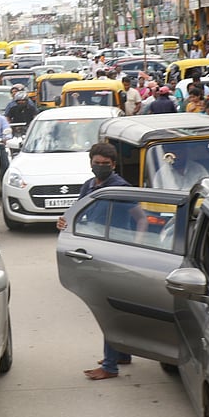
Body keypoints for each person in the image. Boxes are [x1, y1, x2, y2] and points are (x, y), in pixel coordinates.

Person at [56, 143, 133, 380]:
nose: (99, 168)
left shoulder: (120, 189)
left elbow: (139, 218)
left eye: (105, 165)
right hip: (96, 251)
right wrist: (65, 222)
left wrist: (135, 246)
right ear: (90, 162)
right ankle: (122, 354)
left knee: (108, 311)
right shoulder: (90, 185)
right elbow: (78, 212)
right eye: (96, 163)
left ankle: (110, 366)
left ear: (113, 166)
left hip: (114, 255)